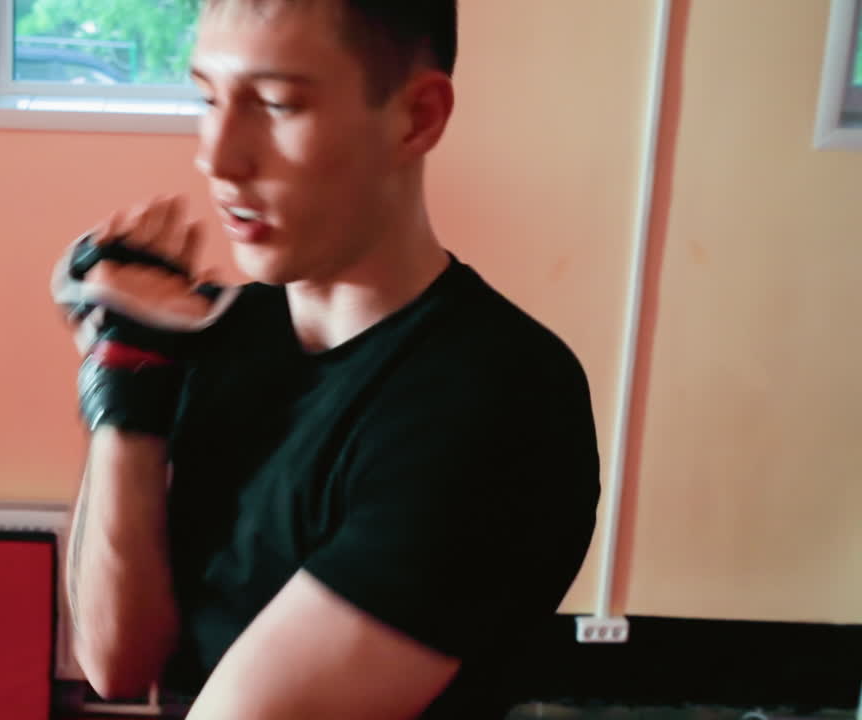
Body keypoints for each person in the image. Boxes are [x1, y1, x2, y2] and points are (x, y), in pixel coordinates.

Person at [56, 1, 601, 718]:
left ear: (417, 117)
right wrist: (123, 382)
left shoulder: (500, 399)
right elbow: (114, 660)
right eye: (207, 98)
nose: (217, 157)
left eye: (278, 105)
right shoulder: (217, 334)